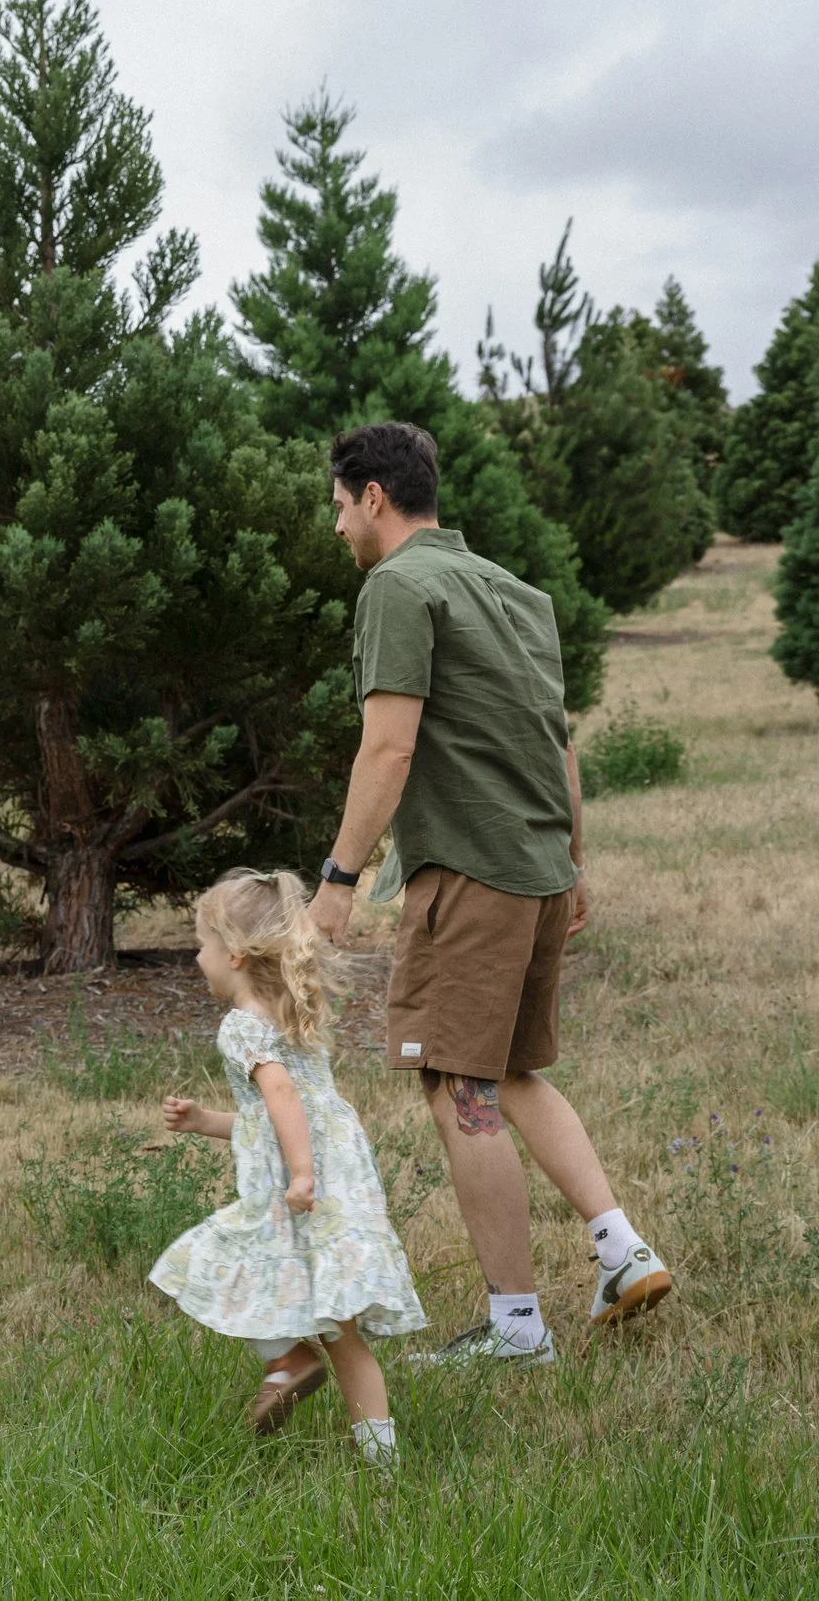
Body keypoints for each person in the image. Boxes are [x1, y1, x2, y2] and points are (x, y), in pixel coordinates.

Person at [309, 420, 672, 1367]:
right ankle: (621, 1250)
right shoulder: (512, 590)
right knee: (511, 1071)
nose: (336, 524)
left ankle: (516, 1328)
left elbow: (387, 747)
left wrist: (338, 880)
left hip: (470, 874)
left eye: (339, 504)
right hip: (543, 868)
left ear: (374, 498)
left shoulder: (396, 586)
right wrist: (576, 863)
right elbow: (558, 745)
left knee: (456, 1083)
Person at [149, 869, 426, 1453]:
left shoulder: (241, 1027)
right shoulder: (292, 1018)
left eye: (200, 944)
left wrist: (301, 1175)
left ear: (236, 954)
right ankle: (382, 1465)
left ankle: (288, 1358)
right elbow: (269, 1121)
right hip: (332, 1185)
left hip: (298, 1191)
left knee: (204, 1261)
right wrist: (205, 1123)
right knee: (343, 1334)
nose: (196, 957)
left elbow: (281, 1097)